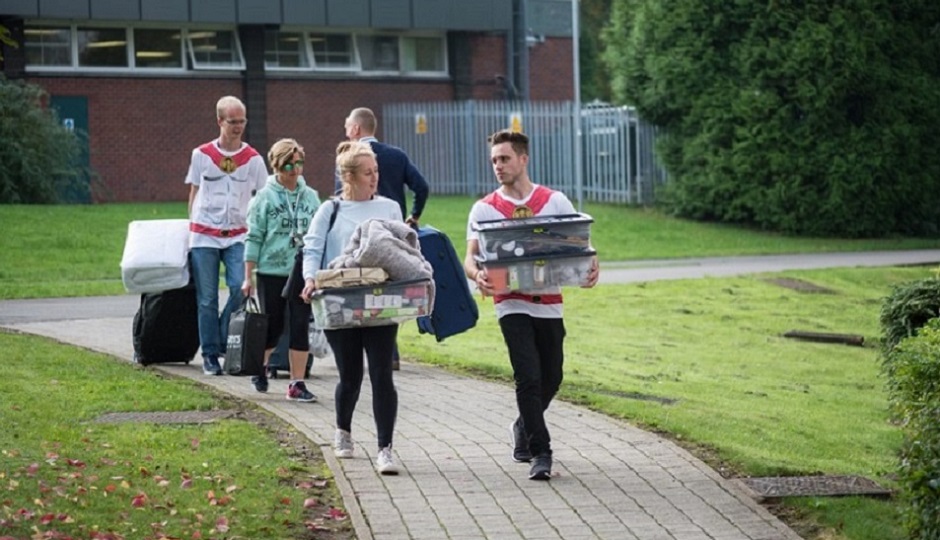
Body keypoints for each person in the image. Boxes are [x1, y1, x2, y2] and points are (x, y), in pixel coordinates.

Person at [463, 130, 600, 481]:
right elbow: (470, 258)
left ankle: (523, 426)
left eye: (505, 158)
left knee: (552, 376)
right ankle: (542, 453)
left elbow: (579, 247)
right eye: (494, 160)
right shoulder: (484, 208)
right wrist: (477, 274)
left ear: (523, 159)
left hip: (549, 301)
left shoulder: (555, 202)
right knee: (528, 376)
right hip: (510, 302)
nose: (498, 165)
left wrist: (592, 265)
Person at [301, 141, 404, 475]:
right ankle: (343, 431)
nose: (375, 178)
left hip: (380, 299)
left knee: (381, 374)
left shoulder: (389, 208)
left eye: (376, 172)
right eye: (367, 173)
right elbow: (312, 248)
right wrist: (310, 279)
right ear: (349, 176)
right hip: (338, 301)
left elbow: (401, 250)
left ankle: (385, 448)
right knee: (350, 376)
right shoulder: (329, 210)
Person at [343, 106, 430, 370]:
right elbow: (422, 187)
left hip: (361, 237)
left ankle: (356, 352)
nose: (345, 131)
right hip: (393, 234)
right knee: (388, 290)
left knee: (358, 290)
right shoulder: (397, 156)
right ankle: (389, 353)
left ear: (356, 129)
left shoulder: (350, 160)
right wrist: (412, 217)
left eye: (347, 126)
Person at [186, 96, 267, 376]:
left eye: (242, 121)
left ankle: (221, 338)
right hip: (204, 235)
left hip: (238, 234)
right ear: (220, 121)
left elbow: (263, 198)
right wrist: (190, 229)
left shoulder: (253, 159)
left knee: (240, 287)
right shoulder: (202, 155)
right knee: (206, 298)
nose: (238, 127)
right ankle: (210, 355)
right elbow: (194, 192)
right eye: (233, 122)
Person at [242, 138, 321, 401]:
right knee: (273, 325)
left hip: (301, 270)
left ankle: (297, 383)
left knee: (300, 324)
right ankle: (260, 368)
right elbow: (253, 237)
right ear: (277, 165)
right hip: (271, 270)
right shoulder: (264, 198)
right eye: (289, 164)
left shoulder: (310, 197)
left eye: (299, 163)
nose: (295, 170)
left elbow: (319, 234)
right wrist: (248, 276)